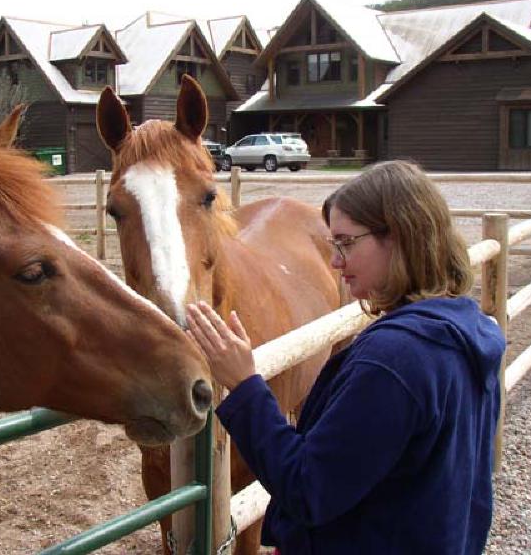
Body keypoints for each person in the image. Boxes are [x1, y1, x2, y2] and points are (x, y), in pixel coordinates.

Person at [186, 160, 506, 555]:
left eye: (346, 243)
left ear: (400, 237)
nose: (335, 262)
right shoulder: (468, 330)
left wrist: (245, 386)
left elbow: (307, 487)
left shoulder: (395, 362)